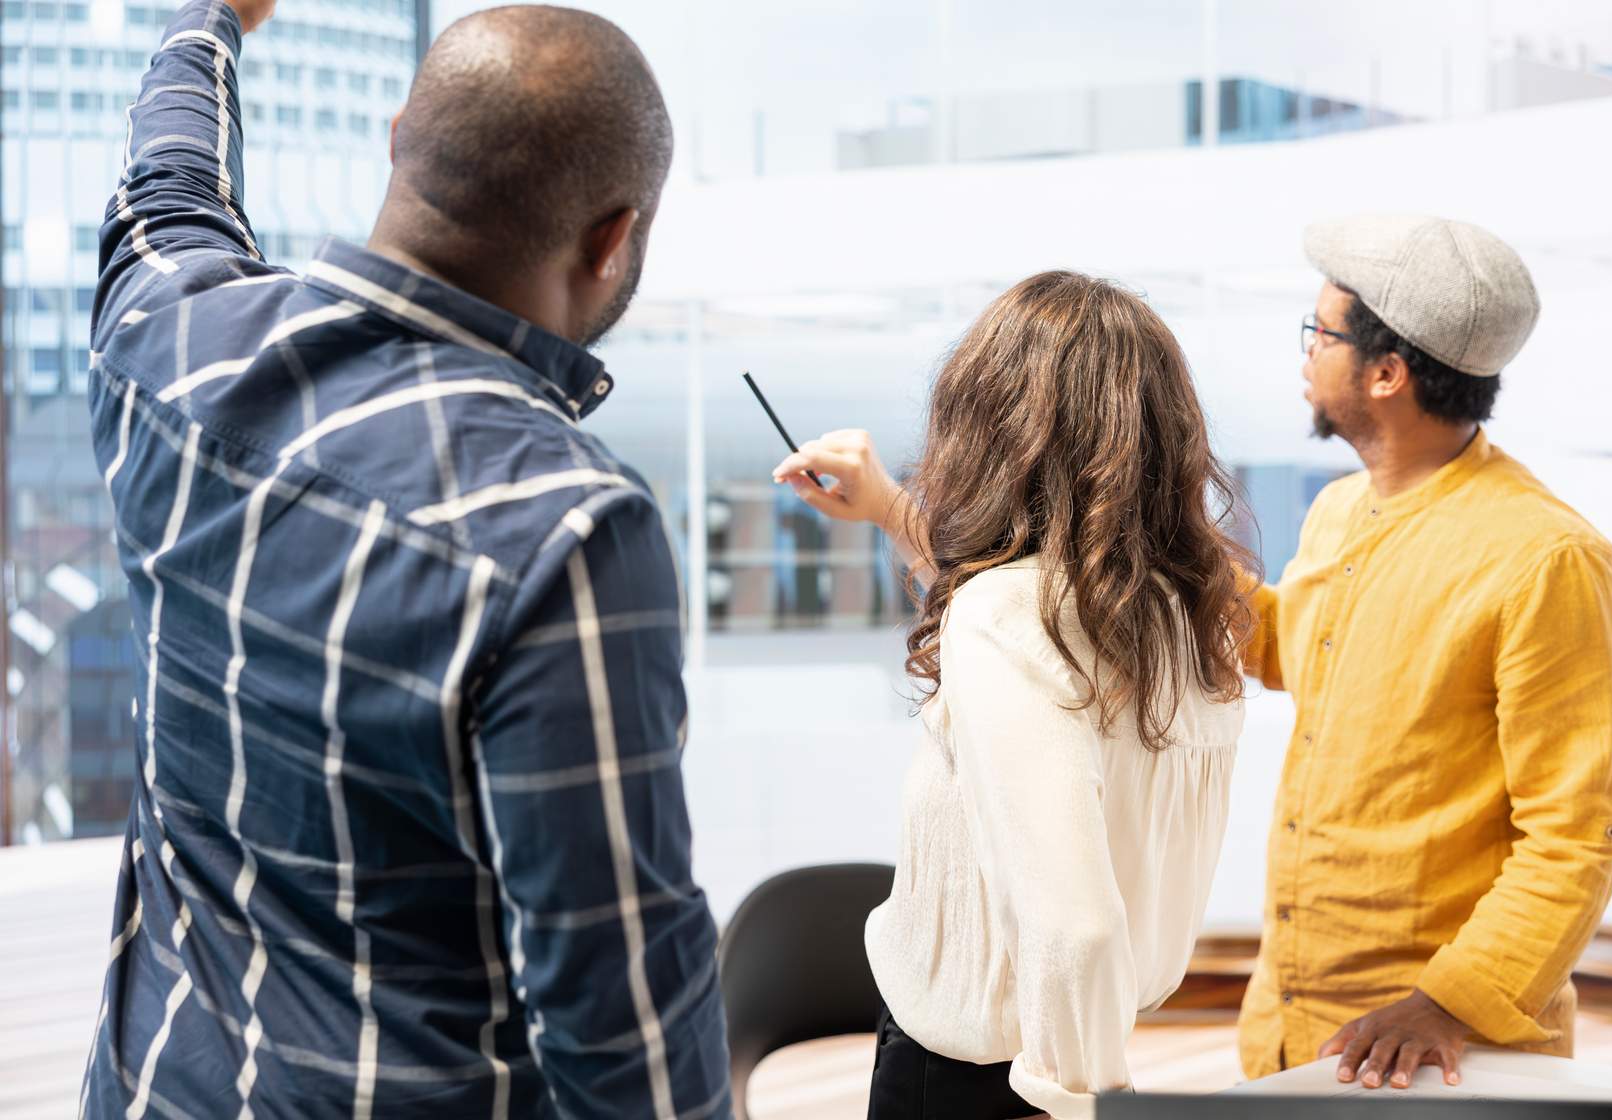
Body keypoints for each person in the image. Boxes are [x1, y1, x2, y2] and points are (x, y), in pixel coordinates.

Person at [81, 1, 729, 1116]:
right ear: (613, 237)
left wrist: (213, 22)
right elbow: (626, 1042)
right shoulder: (567, 529)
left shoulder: (168, 345)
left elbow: (169, 178)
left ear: (396, 140)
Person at [771, 272, 1254, 1120]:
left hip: (988, 1079)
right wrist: (889, 509)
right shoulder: (1186, 617)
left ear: (989, 428)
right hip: (1066, 1046)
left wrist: (1081, 1102)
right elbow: (1038, 618)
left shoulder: (1007, 617)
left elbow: (1077, 928)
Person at [1237, 214, 1612, 1091]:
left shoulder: (1544, 558)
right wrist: (1188, 564)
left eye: (1321, 333)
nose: (1306, 354)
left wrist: (1449, 1003)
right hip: (1293, 1020)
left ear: (1386, 373)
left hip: (1435, 1051)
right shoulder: (1340, 509)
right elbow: (1294, 655)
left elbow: (1577, 836)